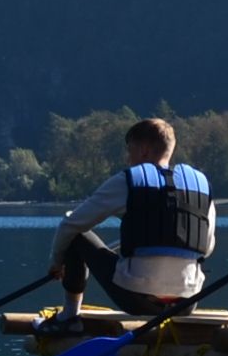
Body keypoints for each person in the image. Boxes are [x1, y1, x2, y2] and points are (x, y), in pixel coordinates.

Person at [48, 118, 216, 317]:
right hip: (186, 303)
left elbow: (70, 225)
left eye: (130, 151)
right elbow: (207, 247)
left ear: (144, 149)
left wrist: (57, 263)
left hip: (136, 300)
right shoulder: (200, 185)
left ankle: (69, 315)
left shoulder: (128, 180)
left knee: (76, 233)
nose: (128, 160)